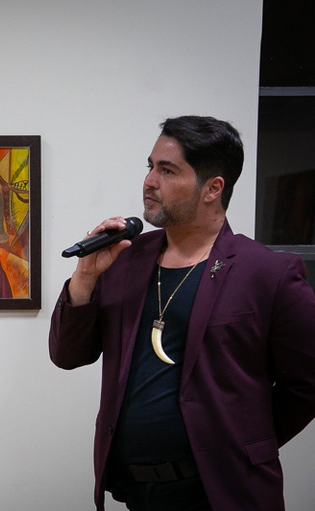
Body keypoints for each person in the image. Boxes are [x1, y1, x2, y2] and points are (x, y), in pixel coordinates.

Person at [48, 116, 315, 510]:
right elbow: (68, 355)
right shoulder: (124, 258)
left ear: (213, 188)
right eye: (150, 166)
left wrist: (245, 443)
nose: (149, 181)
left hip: (225, 494)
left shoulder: (267, 272)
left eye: (168, 170)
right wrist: (84, 277)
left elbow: (308, 382)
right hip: (138, 492)